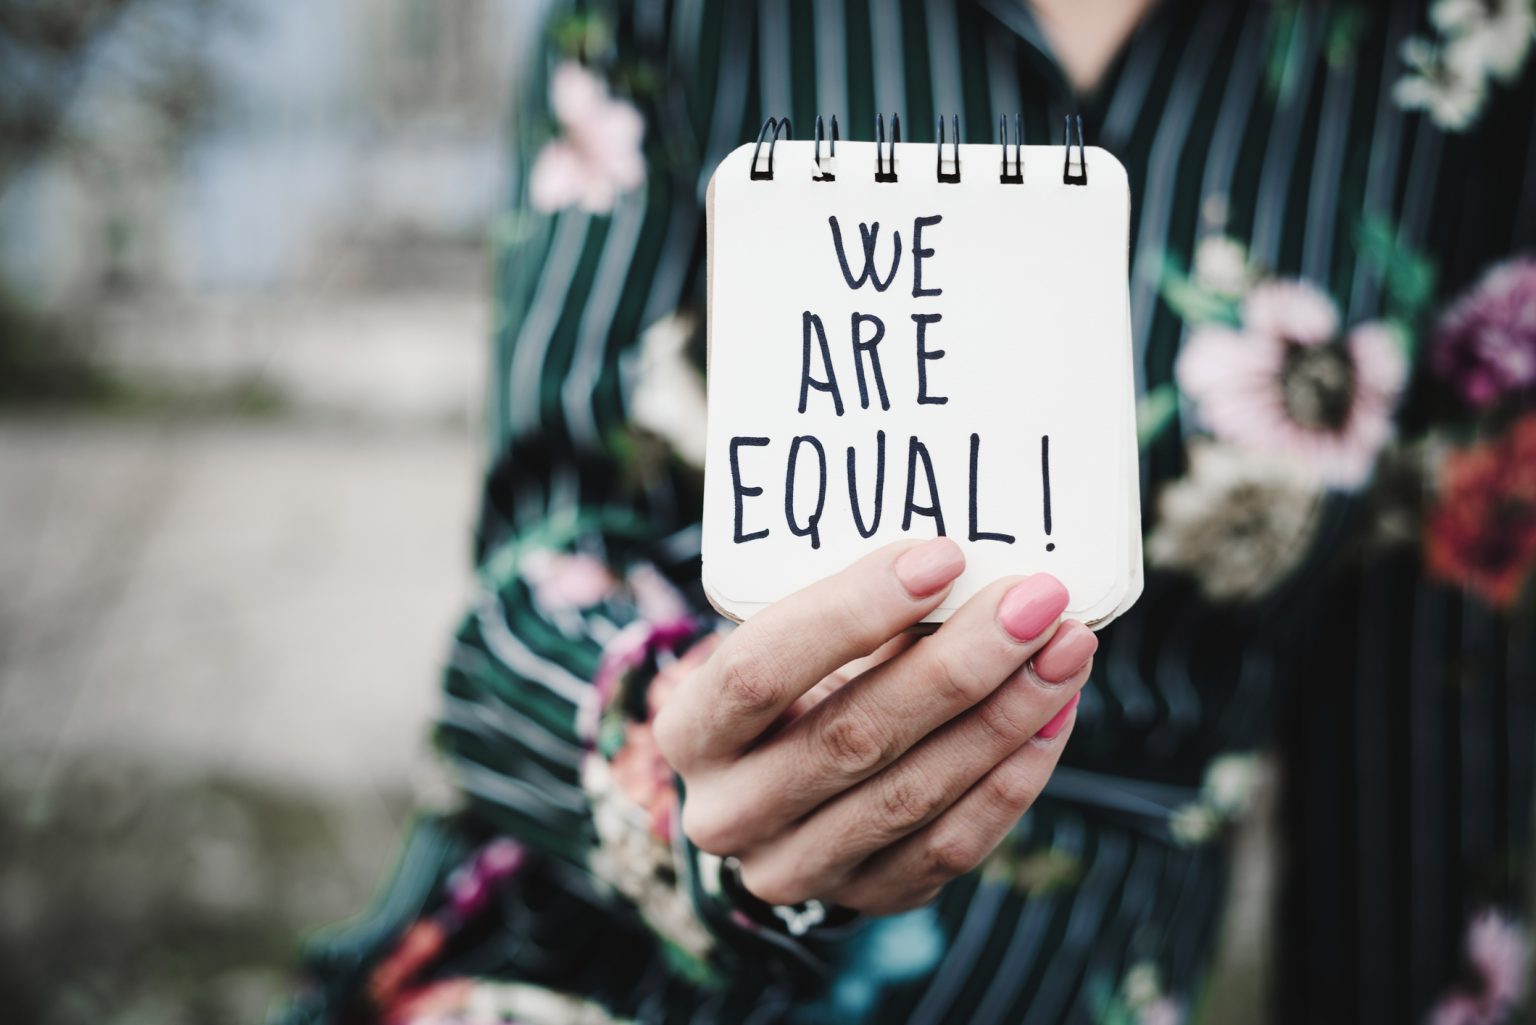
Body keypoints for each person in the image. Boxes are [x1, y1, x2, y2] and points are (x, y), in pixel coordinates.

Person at [280, 1, 1536, 1023]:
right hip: (577, 972)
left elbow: (1434, 746)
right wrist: (675, 770)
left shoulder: (1459, 51)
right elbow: (520, 598)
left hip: (1072, 978)